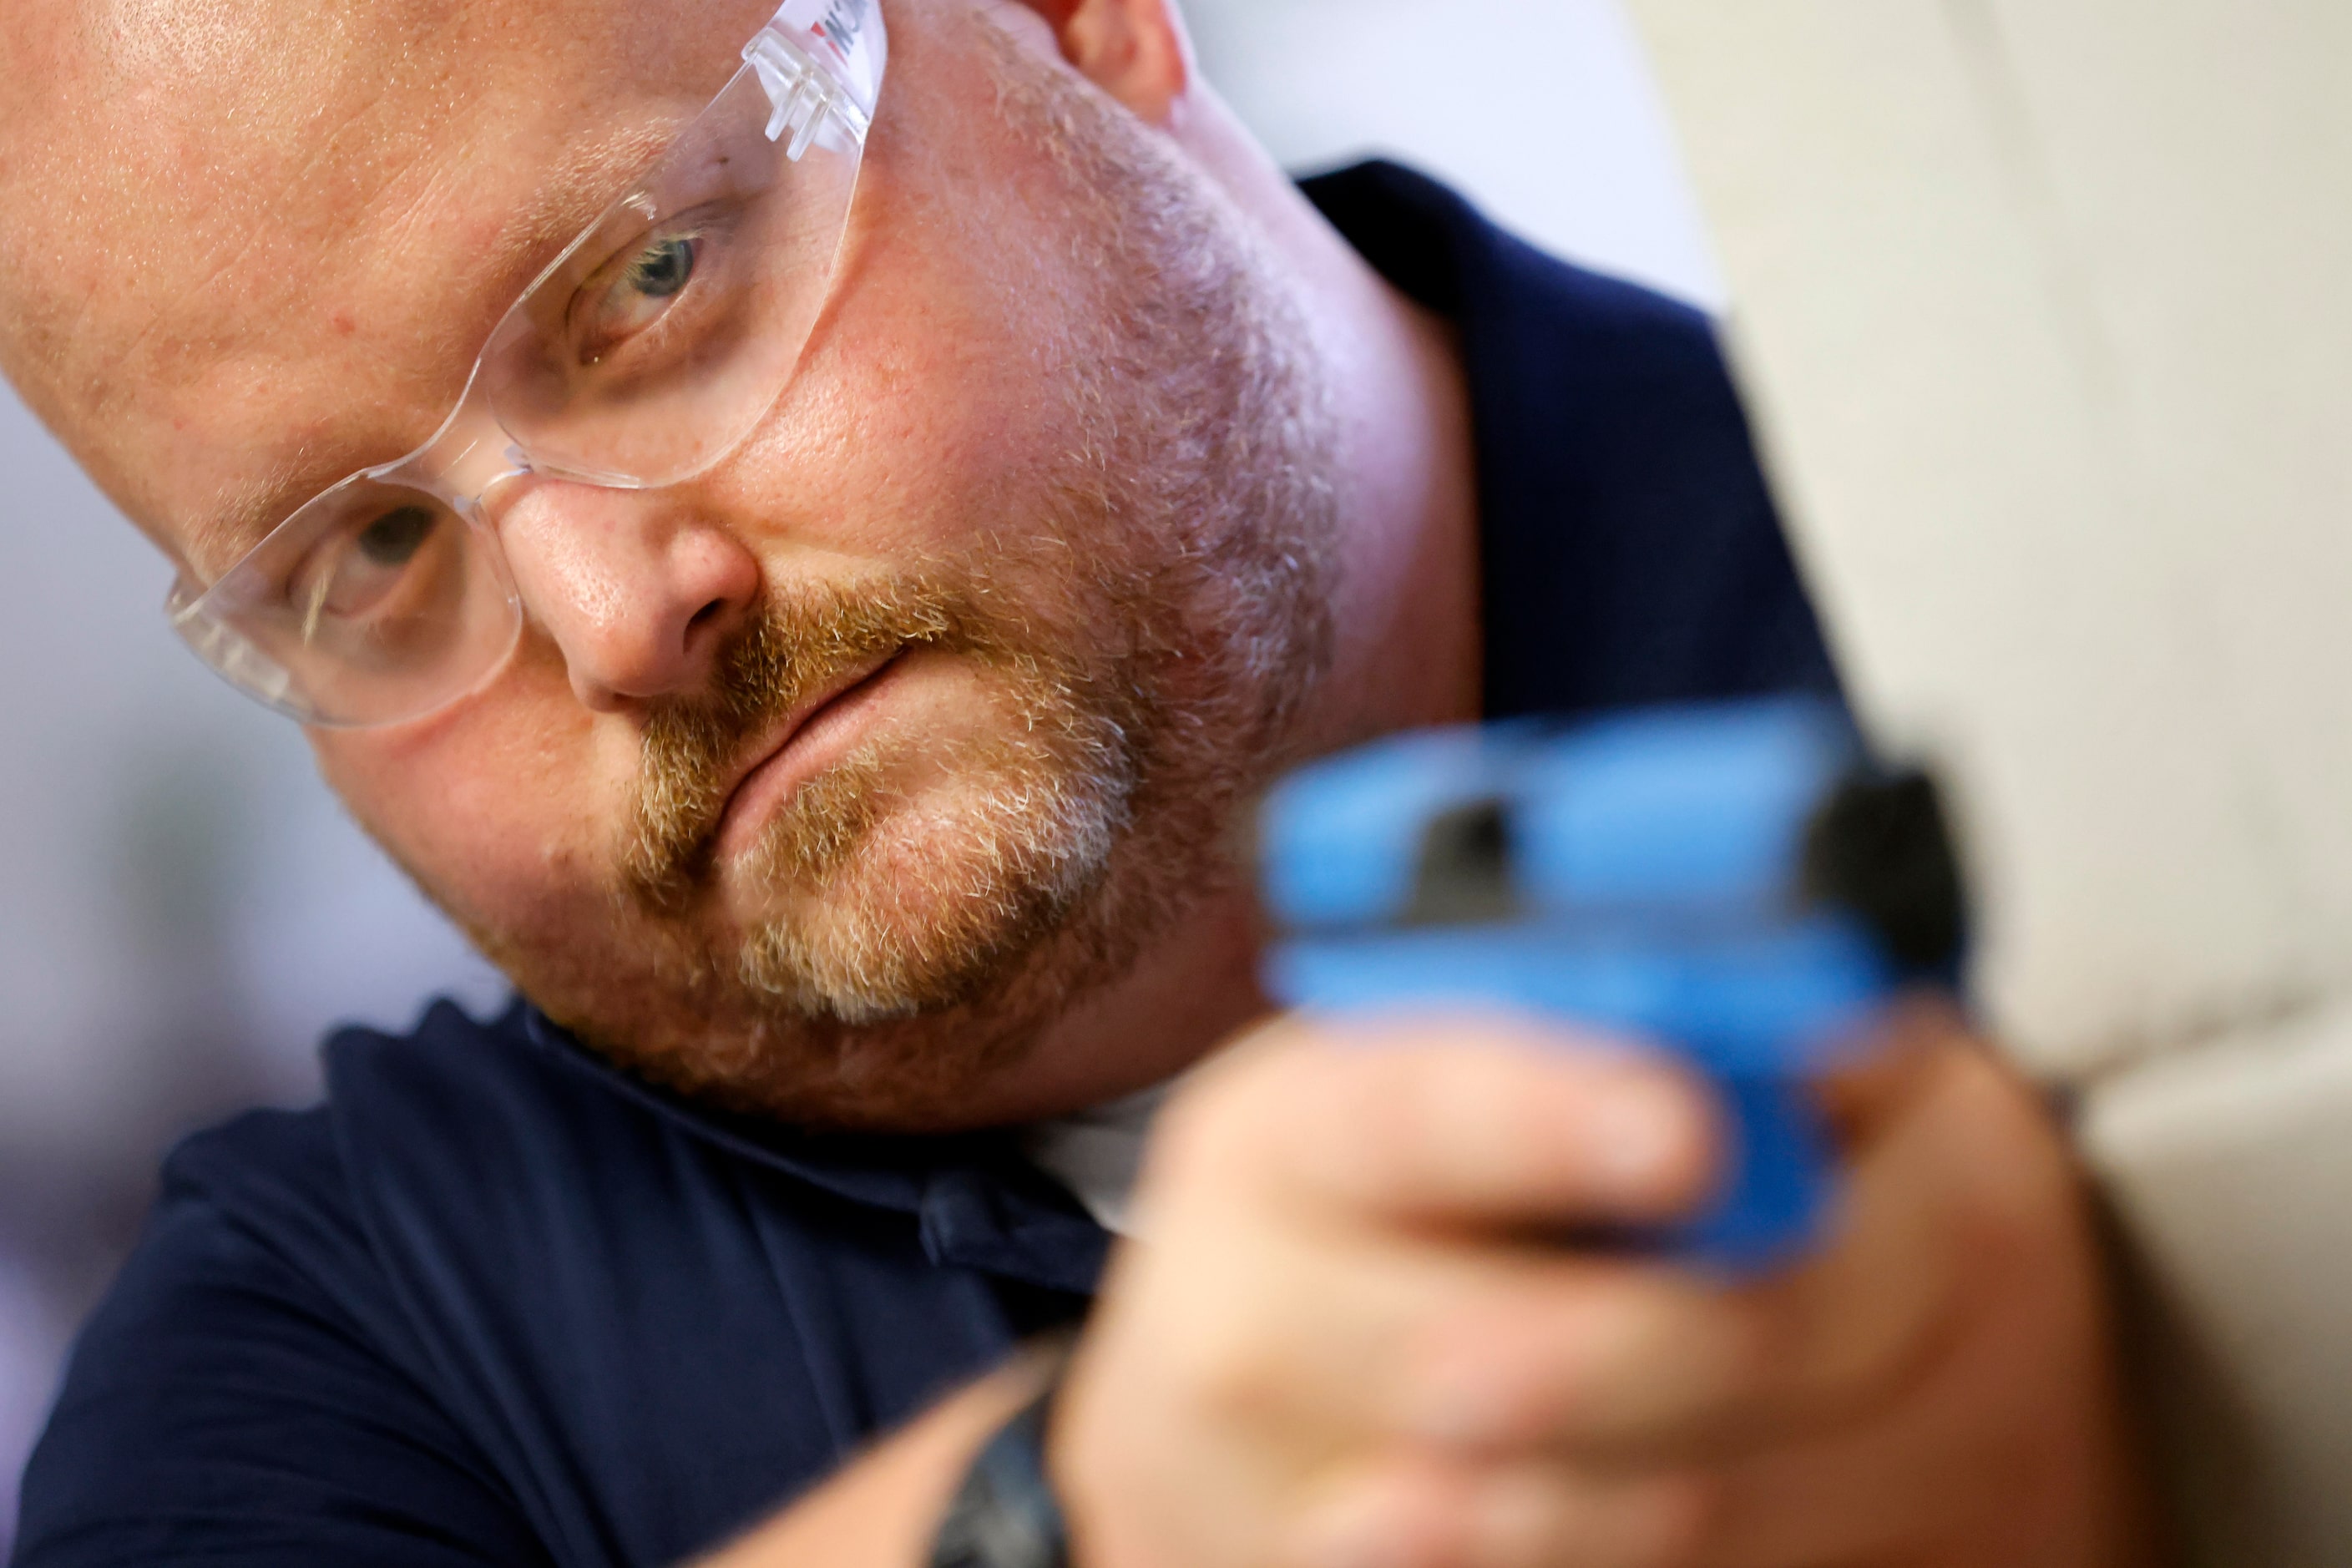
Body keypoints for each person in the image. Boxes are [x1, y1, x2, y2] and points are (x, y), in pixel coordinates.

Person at [0, 0, 2157, 1563]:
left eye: (651, 280)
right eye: (369, 554)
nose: (604, 615)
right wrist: (1087, 1521)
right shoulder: (366, 1344)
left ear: (1077, 23)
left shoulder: (2151, 602)